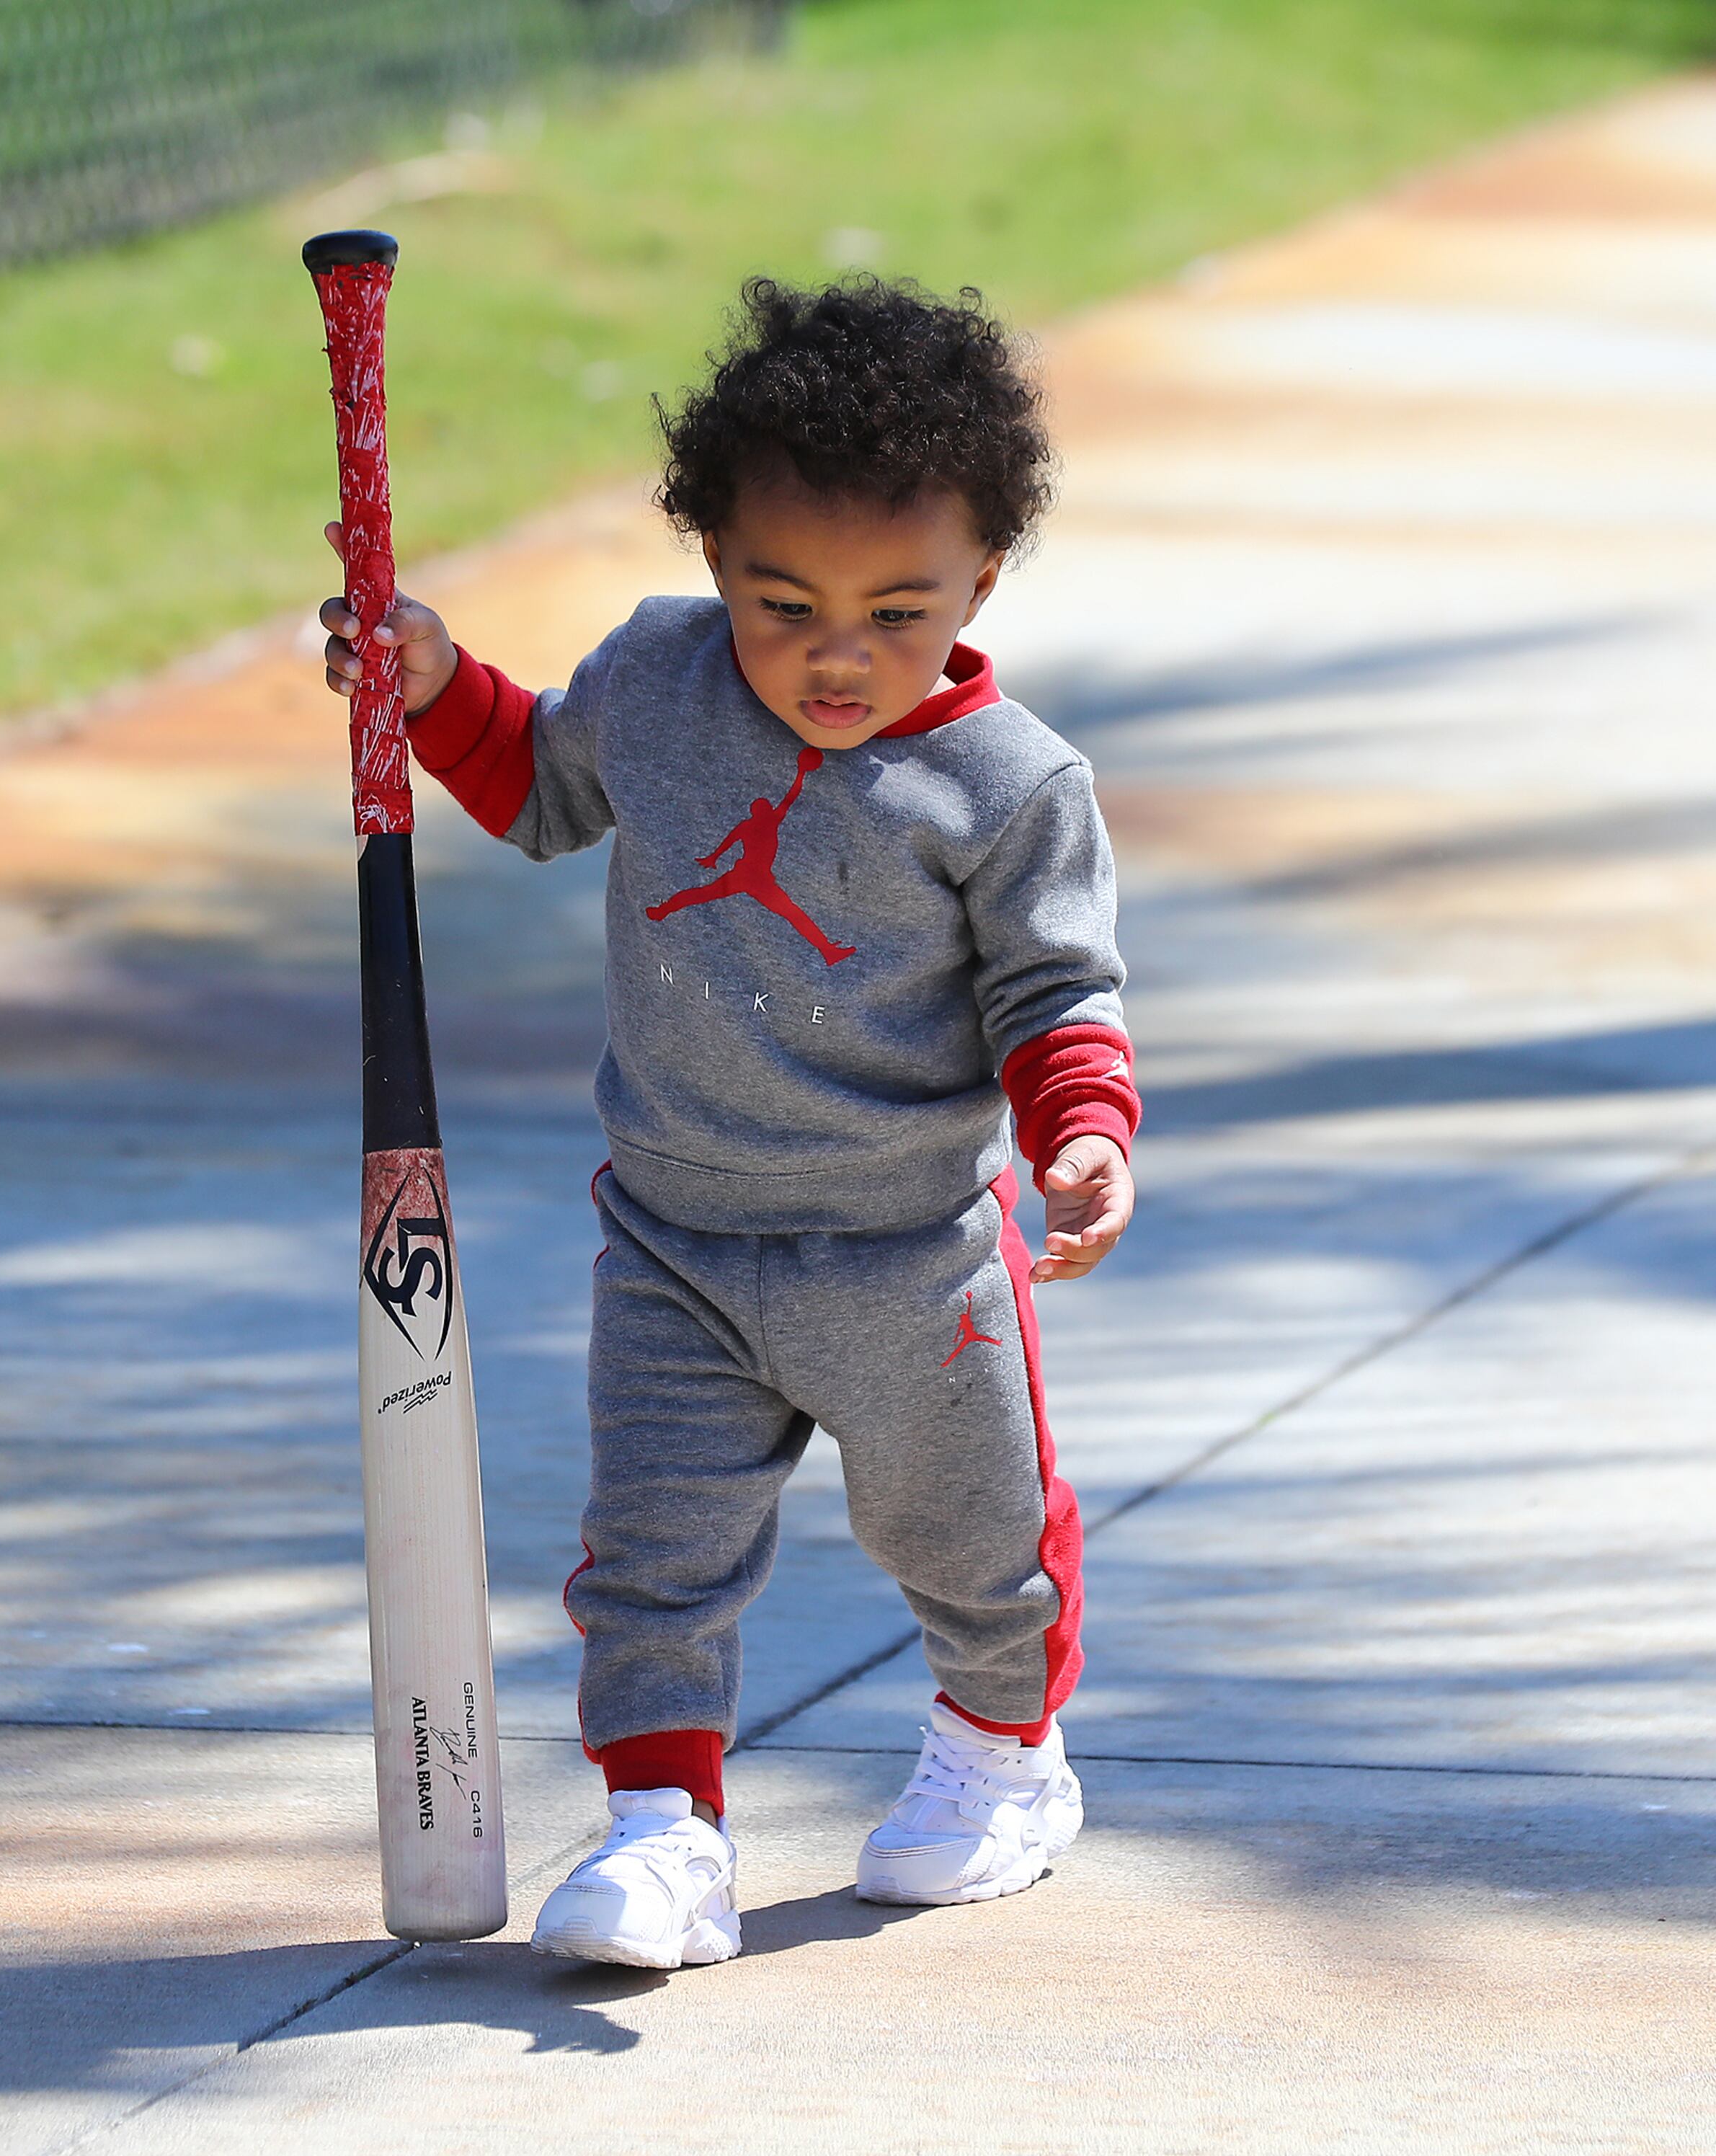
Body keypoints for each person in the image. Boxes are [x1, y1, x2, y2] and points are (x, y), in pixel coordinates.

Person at [319, 275, 1137, 1969]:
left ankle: (1003, 1757)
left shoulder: (1009, 787)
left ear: (982, 580)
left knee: (968, 1541)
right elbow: (539, 782)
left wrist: (1082, 1136)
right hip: (675, 1239)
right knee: (654, 1555)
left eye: (897, 613)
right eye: (782, 603)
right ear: (712, 563)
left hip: (909, 1257)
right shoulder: (663, 681)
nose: (835, 654)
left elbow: (1056, 996)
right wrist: (430, 679)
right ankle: (661, 1826)